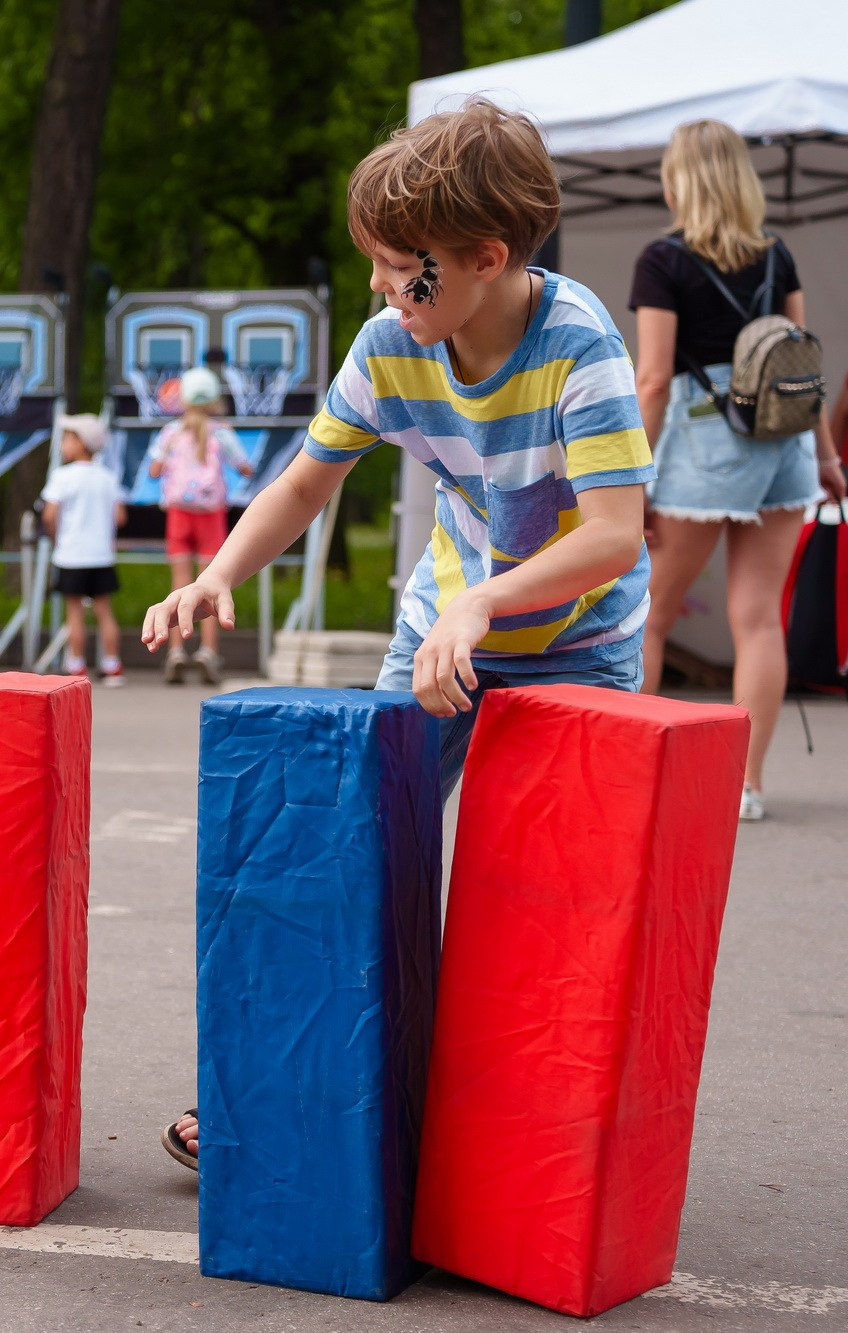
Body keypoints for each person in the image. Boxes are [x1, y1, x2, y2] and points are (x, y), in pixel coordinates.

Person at [144, 100, 653, 1169]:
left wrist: (485, 600)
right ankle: (274, 1093)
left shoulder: (580, 350)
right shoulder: (390, 345)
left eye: (396, 265)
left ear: (484, 256)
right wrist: (217, 572)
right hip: (442, 634)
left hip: (578, 643)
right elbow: (301, 485)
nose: (377, 285)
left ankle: (525, 1127)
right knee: (349, 853)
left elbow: (612, 537)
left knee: (553, 894)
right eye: (370, 263)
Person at [629, 119, 847, 822]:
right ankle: (746, 787)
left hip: (699, 441)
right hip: (780, 444)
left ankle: (629, 770)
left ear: (677, 179)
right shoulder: (777, 256)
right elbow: (799, 367)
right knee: (758, 621)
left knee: (649, 615)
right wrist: (828, 460)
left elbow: (655, 380)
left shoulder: (662, 261)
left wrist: (631, 481)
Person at [149, 366, 252, 685]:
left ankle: (176, 650)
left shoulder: (171, 431)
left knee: (180, 584)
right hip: (211, 514)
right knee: (210, 587)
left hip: (179, 514)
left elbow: (154, 470)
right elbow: (245, 468)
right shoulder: (222, 431)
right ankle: (208, 651)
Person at [41, 415, 127, 686]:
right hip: (101, 555)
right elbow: (120, 516)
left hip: (72, 555)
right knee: (105, 611)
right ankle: (112, 664)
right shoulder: (107, 476)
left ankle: (77, 665)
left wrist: (57, 539)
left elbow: (49, 514)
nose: (63, 444)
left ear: (81, 443)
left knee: (74, 612)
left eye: (67, 439)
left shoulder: (62, 476)